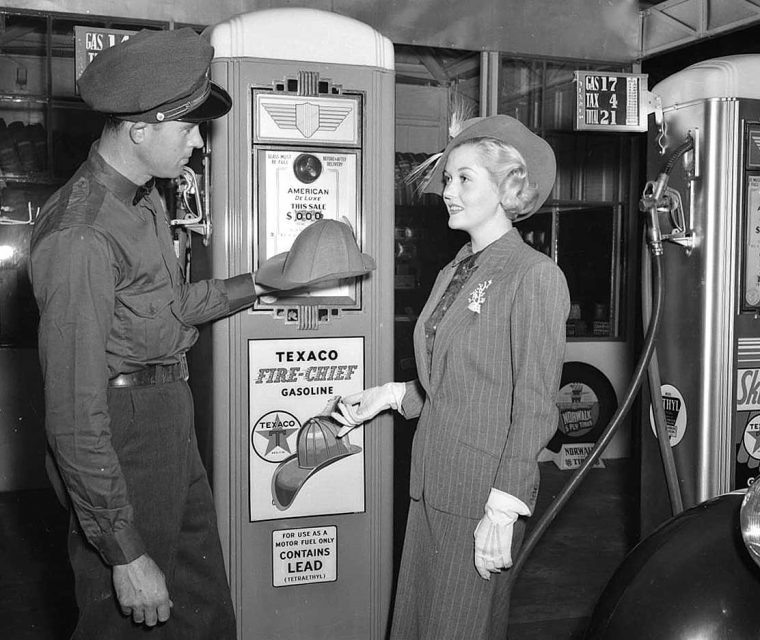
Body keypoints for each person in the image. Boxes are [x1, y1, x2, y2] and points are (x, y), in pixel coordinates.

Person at [29, 28, 263, 639]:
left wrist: (263, 283)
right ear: (139, 129)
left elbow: (164, 309)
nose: (197, 142)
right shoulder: (81, 234)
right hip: (122, 433)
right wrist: (124, 551)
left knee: (202, 612)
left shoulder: (144, 201)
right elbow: (75, 417)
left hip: (164, 416)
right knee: (128, 618)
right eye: (187, 127)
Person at [334, 114, 570, 640]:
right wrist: (392, 396)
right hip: (431, 485)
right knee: (420, 625)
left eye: (464, 178)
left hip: (480, 498)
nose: (448, 191)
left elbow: (533, 404)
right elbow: (460, 379)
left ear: (509, 187)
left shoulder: (533, 275)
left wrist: (505, 508)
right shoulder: (455, 269)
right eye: (447, 179)